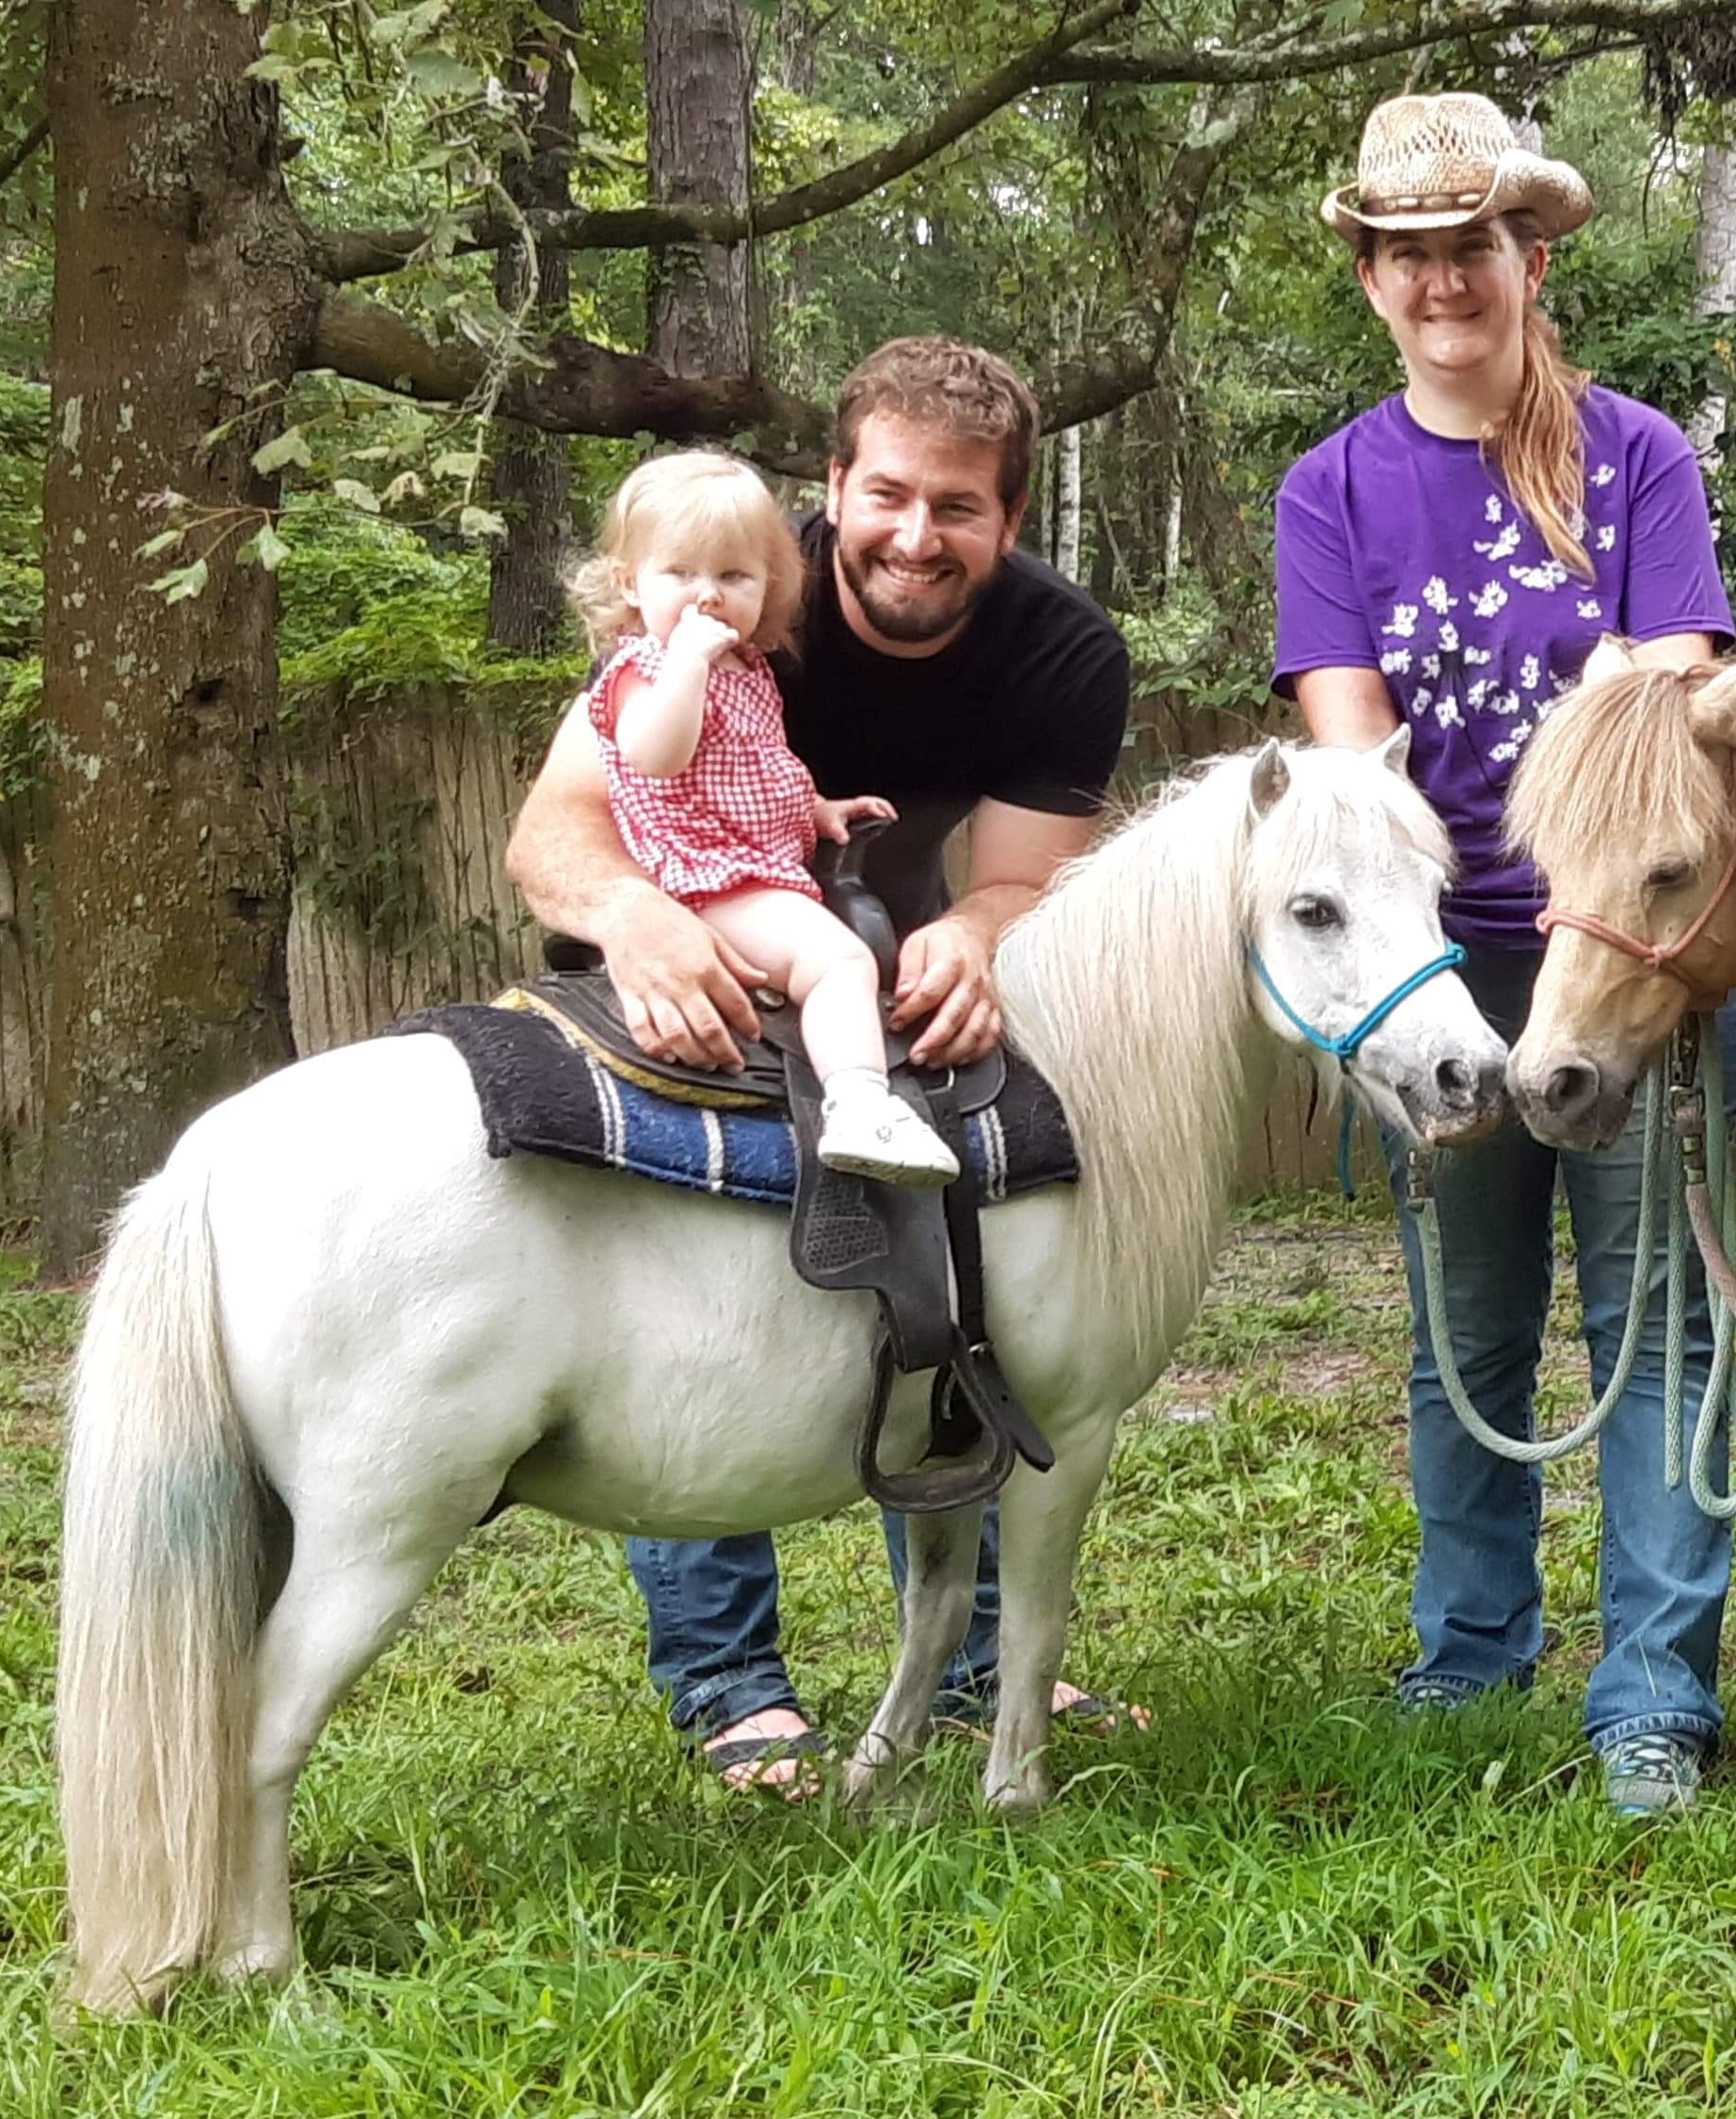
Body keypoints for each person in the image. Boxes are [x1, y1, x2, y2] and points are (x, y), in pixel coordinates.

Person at [506, 337, 1139, 1794]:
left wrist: (978, 936)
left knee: (968, 1248)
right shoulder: (721, 577)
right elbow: (555, 832)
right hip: (693, 959)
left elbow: (1024, 880)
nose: (918, 535)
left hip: (903, 979)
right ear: (834, 488)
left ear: (1010, 518)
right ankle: (733, 1681)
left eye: (960, 507)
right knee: (689, 1291)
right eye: (890, 494)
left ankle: (979, 1653)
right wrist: (635, 922)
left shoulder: (1063, 651)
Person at [1273, 92, 1736, 1816]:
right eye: (1406, 253)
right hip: (1443, 974)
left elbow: (1668, 699)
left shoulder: (1635, 458)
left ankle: (1652, 1697)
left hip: (1620, 953)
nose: (1441, 280)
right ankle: (1471, 1654)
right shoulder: (1328, 489)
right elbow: (1352, 753)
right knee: (1463, 1335)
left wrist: (1590, 895)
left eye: (1470, 245)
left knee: (1655, 1331)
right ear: (1372, 280)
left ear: (1528, 258)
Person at [565, 449, 959, 1185]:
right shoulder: (642, 670)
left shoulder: (750, 671)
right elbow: (657, 755)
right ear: (630, 582)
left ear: (767, 588)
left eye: (733, 577)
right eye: (680, 574)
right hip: (705, 878)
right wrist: (685, 665)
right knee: (841, 959)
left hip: (754, 868)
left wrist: (818, 808)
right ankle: (860, 1102)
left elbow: (752, 769)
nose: (706, 597)